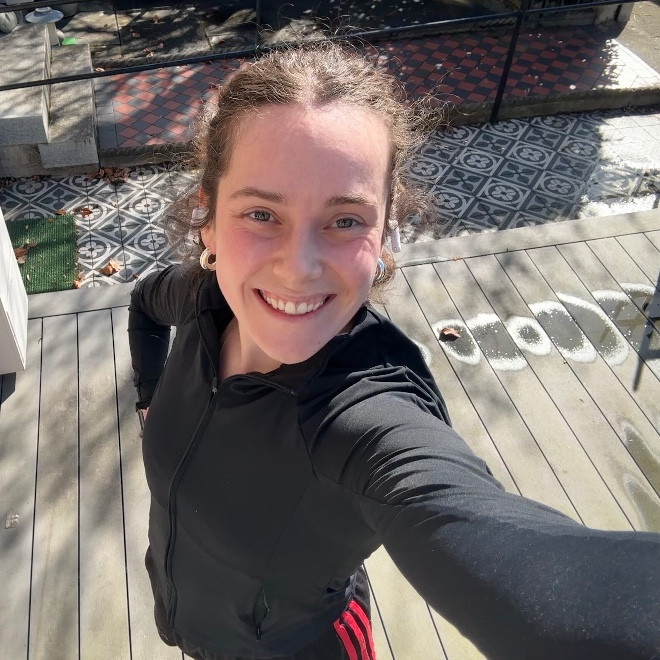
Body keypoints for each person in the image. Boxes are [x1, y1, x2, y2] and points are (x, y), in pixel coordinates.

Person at [128, 43, 660, 660]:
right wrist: (149, 395)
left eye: (345, 220)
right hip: (189, 625)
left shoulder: (367, 416)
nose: (299, 268)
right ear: (210, 222)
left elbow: (502, 550)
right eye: (261, 213)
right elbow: (143, 305)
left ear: (385, 233)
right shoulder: (200, 298)